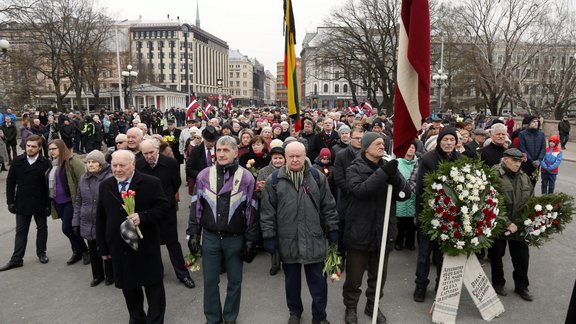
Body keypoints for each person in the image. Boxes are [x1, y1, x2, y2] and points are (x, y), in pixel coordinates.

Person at [260, 141, 339, 324]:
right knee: (292, 282)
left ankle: (320, 316)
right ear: (285, 157)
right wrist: (269, 235)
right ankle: (294, 312)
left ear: (305, 156)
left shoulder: (317, 178)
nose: (295, 159)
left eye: (299, 156)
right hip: (288, 241)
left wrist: (333, 229)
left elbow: (329, 207)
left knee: (319, 284)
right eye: (291, 156)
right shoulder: (273, 181)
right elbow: (267, 213)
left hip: (314, 240)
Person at [187, 136, 259, 324]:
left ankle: (230, 317)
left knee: (235, 282)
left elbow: (252, 210)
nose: (221, 154)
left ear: (236, 153)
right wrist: (193, 233)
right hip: (210, 238)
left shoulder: (247, 177)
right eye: (219, 150)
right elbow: (196, 207)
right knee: (210, 282)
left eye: (226, 150)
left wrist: (251, 239)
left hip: (235, 239)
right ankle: (212, 318)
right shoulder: (203, 175)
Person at [342, 132, 411, 324]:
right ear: (366, 147)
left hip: (384, 232)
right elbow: (360, 191)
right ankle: (351, 307)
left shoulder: (388, 167)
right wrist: (384, 174)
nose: (382, 146)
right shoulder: (354, 168)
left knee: (379, 275)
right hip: (360, 231)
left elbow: (406, 194)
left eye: (384, 143)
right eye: (378, 143)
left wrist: (396, 180)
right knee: (354, 278)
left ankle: (372, 305)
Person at [96, 149, 170, 323]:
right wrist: (102, 247)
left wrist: (142, 217)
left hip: (145, 247)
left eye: (122, 165)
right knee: (130, 290)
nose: (117, 169)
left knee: (154, 289)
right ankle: (137, 319)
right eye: (114, 165)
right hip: (120, 249)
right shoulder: (105, 186)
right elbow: (100, 218)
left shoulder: (151, 183)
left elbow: (163, 207)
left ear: (133, 165)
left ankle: (155, 321)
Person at [137, 139, 195, 289]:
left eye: (151, 152)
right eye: (145, 153)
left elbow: (175, 183)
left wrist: (166, 199)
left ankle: (183, 274)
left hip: (166, 208)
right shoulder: (138, 165)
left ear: (157, 150)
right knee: (151, 242)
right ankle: (156, 272)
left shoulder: (170, 163)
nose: (149, 156)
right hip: (147, 210)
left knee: (172, 242)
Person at [412, 126, 462, 302]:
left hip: (451, 217)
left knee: (443, 255)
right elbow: (420, 189)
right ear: (439, 141)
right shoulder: (428, 159)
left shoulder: (461, 159)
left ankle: (441, 284)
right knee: (425, 254)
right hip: (430, 214)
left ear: (456, 142)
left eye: (452, 140)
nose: (448, 143)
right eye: (445, 140)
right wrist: (420, 215)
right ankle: (420, 286)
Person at [0, 135, 52, 271]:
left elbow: (49, 186)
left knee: (42, 229)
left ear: (40, 148)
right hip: (22, 203)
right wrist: (10, 202)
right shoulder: (17, 161)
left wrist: (48, 205)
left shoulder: (45, 163)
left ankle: (42, 253)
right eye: (28, 146)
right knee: (21, 232)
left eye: (33, 146)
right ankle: (16, 259)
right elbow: (10, 183)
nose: (30, 148)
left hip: (40, 202)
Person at [491, 148, 534, 301]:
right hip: (500, 225)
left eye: (520, 161)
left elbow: (531, 199)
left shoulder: (524, 176)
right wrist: (507, 222)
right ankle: (498, 283)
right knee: (496, 256)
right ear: (505, 159)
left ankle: (522, 286)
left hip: (520, 226)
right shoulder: (495, 175)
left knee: (522, 258)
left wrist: (527, 220)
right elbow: (490, 204)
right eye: (514, 161)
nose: (517, 164)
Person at [72, 150, 114, 287]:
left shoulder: (109, 178)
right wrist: (76, 221)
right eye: (88, 162)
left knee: (106, 249)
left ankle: (110, 275)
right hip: (87, 220)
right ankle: (97, 275)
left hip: (103, 221)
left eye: (94, 162)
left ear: (101, 164)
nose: (90, 164)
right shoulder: (84, 178)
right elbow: (79, 201)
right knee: (93, 250)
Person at [46, 139, 89, 265]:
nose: (52, 151)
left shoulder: (72, 161)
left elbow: (83, 179)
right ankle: (76, 251)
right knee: (71, 228)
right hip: (58, 201)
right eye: (50, 149)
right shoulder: (52, 163)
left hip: (71, 200)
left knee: (68, 228)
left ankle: (85, 251)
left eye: (54, 148)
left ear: (62, 148)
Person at [395, 142, 418, 251]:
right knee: (400, 222)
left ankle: (410, 242)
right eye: (408, 147)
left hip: (413, 195)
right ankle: (398, 241)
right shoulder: (397, 162)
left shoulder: (419, 163)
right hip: (400, 195)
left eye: (412, 147)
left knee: (411, 223)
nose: (410, 149)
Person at [185, 125, 219, 193]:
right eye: (208, 141)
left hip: (217, 185)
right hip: (201, 185)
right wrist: (203, 175)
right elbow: (189, 169)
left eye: (212, 141)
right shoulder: (196, 150)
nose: (210, 143)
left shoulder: (219, 149)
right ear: (204, 138)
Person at [518, 116, 546, 187]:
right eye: (534, 121)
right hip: (526, 163)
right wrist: (531, 160)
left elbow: (543, 148)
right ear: (529, 123)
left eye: (537, 121)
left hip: (537, 163)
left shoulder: (541, 134)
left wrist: (539, 160)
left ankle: (531, 196)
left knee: (534, 182)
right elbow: (522, 148)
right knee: (525, 183)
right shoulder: (522, 134)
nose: (536, 123)